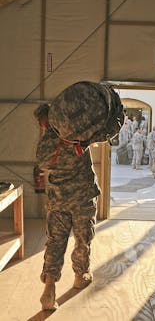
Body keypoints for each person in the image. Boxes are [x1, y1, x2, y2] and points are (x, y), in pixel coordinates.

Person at [34, 103, 100, 311]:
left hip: (58, 201)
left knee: (55, 242)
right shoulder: (78, 132)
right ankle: (80, 276)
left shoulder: (45, 145)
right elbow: (102, 131)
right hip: (82, 198)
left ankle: (49, 290)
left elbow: (43, 165)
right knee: (82, 239)